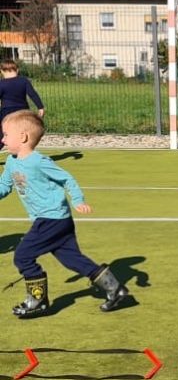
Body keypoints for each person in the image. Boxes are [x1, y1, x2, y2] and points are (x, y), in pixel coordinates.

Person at [0, 110, 129, 317]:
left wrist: (78, 200)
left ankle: (38, 300)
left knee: (23, 256)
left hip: (51, 219)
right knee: (72, 259)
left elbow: (67, 179)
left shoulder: (39, 162)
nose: (2, 139)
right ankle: (115, 289)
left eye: (6, 134)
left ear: (23, 137)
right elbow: (4, 187)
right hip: (57, 221)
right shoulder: (12, 162)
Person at [0, 59, 45, 124]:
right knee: (24, 127)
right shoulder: (24, 81)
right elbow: (33, 94)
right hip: (23, 110)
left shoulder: (1, 83)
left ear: (2, 71)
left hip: (6, 111)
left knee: (5, 130)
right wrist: (40, 107)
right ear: (17, 70)